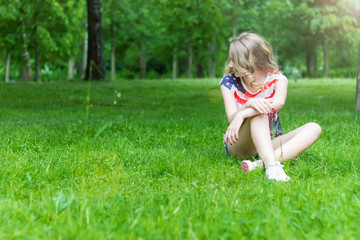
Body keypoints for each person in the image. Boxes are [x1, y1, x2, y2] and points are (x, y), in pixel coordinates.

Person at [220, 32, 321, 182]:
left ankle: (259, 164)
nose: (230, 65)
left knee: (314, 127)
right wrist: (247, 106)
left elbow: (278, 102)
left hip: (268, 142)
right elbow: (231, 118)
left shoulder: (278, 80)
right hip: (239, 144)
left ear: (252, 60)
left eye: (235, 60)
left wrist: (243, 113)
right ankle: (272, 166)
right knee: (259, 114)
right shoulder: (228, 83)